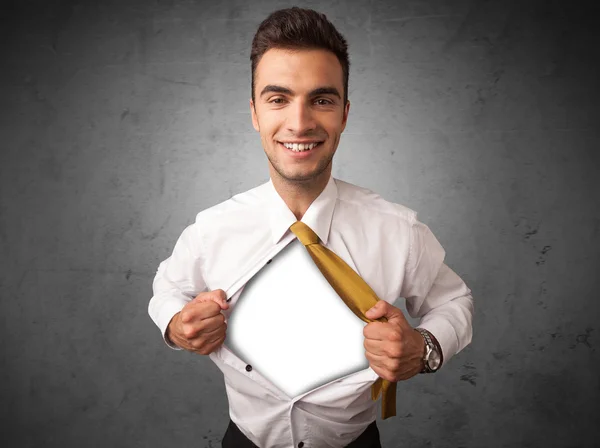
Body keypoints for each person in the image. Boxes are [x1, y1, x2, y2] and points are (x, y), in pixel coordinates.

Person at [148, 7, 474, 448]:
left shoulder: (400, 231)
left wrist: (425, 348)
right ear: (254, 113)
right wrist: (176, 324)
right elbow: (166, 290)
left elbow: (454, 301)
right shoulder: (212, 229)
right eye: (278, 99)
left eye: (321, 99)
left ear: (344, 113)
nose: (299, 123)